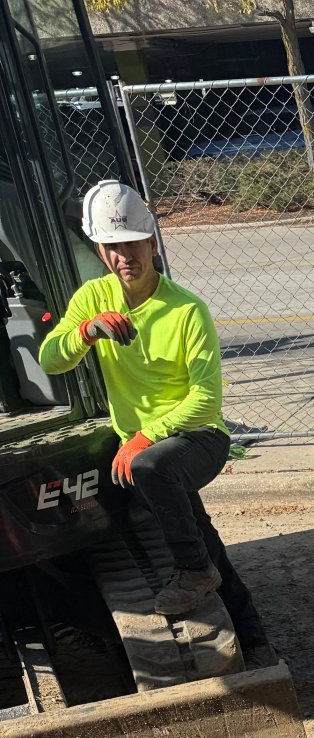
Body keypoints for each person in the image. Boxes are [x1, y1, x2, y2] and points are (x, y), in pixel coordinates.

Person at [38, 180, 248, 621]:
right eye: (112, 247)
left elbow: (206, 403)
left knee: (150, 467)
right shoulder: (92, 299)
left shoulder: (187, 310)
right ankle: (253, 636)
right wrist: (86, 332)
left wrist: (144, 437)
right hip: (148, 444)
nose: (124, 257)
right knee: (198, 529)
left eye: (133, 244)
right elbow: (50, 361)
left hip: (198, 437)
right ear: (99, 251)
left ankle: (192, 572)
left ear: (152, 243)